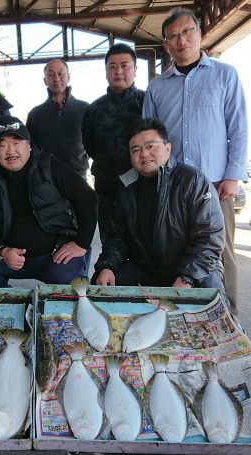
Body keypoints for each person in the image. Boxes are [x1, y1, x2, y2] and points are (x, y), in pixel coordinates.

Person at [142, 8, 248, 314]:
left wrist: (232, 175)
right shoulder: (157, 87)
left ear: (199, 34)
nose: (181, 40)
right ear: (166, 45)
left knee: (221, 252)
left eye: (187, 32)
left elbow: (238, 127)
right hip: (171, 186)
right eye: (173, 36)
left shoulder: (224, 74)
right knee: (177, 249)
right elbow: (149, 138)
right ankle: (183, 316)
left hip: (215, 182)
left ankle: (228, 320)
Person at [92, 118, 225, 296]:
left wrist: (187, 278)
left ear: (168, 148)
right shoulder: (126, 187)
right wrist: (107, 266)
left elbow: (209, 239)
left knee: (210, 299)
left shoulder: (192, 180)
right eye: (136, 150)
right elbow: (117, 238)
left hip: (192, 269)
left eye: (150, 146)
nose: (144, 154)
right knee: (101, 285)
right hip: (147, 268)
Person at [0, 116, 98, 287]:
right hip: (9, 257)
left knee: (68, 279)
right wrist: (2, 251)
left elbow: (87, 197)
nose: (10, 150)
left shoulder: (50, 165)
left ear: (28, 145)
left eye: (16, 142)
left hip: (53, 255)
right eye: (3, 144)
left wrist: (82, 243)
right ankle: (8, 298)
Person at [82, 44, 145, 245]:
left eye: (125, 65)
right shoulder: (94, 109)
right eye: (112, 66)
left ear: (135, 69)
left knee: (144, 246)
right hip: (106, 189)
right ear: (106, 71)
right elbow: (89, 145)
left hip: (143, 189)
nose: (118, 71)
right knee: (110, 245)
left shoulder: (147, 102)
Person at [26, 59, 89, 178]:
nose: (56, 79)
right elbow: (31, 148)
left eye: (61, 74)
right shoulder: (35, 114)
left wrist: (80, 158)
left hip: (78, 175)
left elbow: (94, 143)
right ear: (45, 80)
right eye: (51, 75)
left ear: (68, 77)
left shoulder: (85, 109)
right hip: (47, 177)